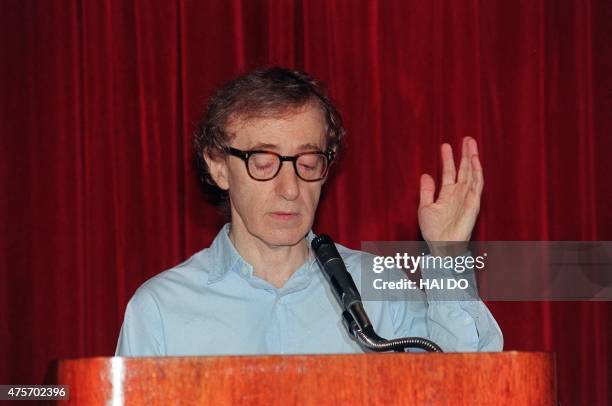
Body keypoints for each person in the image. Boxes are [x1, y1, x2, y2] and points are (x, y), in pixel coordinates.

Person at [115, 67, 503, 356]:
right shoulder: (161, 309)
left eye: (308, 161)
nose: (290, 189)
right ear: (219, 167)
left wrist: (448, 256)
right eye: (263, 161)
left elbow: (472, 387)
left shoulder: (380, 288)